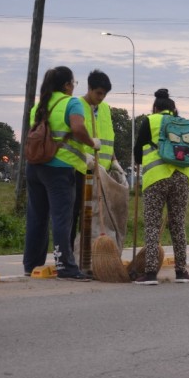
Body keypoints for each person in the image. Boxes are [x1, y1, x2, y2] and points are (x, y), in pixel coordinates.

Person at [23, 66, 100, 281]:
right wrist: (91, 143)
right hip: (59, 168)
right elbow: (77, 128)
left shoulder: (39, 106)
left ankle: (31, 265)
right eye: (73, 84)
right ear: (67, 85)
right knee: (61, 219)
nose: (73, 88)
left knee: (37, 217)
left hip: (35, 167)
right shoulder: (71, 103)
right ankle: (65, 266)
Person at [132, 88, 189, 285]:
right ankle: (182, 271)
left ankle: (150, 273)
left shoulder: (150, 120)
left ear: (155, 107)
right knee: (178, 225)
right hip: (182, 178)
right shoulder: (184, 125)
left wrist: (139, 163)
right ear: (174, 109)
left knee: (152, 224)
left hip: (156, 179)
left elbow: (137, 150)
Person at [70, 69, 125, 250]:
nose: (101, 97)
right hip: (82, 169)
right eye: (98, 93)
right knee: (78, 212)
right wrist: (84, 156)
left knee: (98, 213)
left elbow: (108, 137)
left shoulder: (106, 109)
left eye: (104, 94)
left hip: (104, 171)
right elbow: (73, 136)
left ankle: (92, 252)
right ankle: (72, 252)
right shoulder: (77, 105)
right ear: (89, 88)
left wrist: (114, 160)